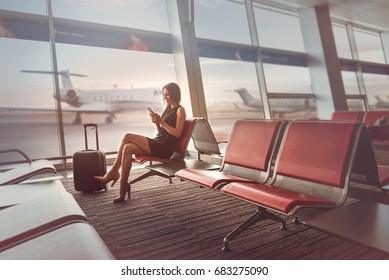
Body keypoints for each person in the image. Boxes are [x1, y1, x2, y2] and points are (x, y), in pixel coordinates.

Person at [95, 82, 186, 203]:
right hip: (159, 141)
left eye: (167, 94)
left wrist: (161, 121)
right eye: (164, 95)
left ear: (175, 94)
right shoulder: (168, 110)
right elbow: (163, 132)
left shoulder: (180, 110)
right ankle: (123, 188)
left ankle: (112, 173)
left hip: (164, 148)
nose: (165, 97)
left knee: (127, 136)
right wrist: (157, 123)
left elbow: (177, 133)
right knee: (127, 148)